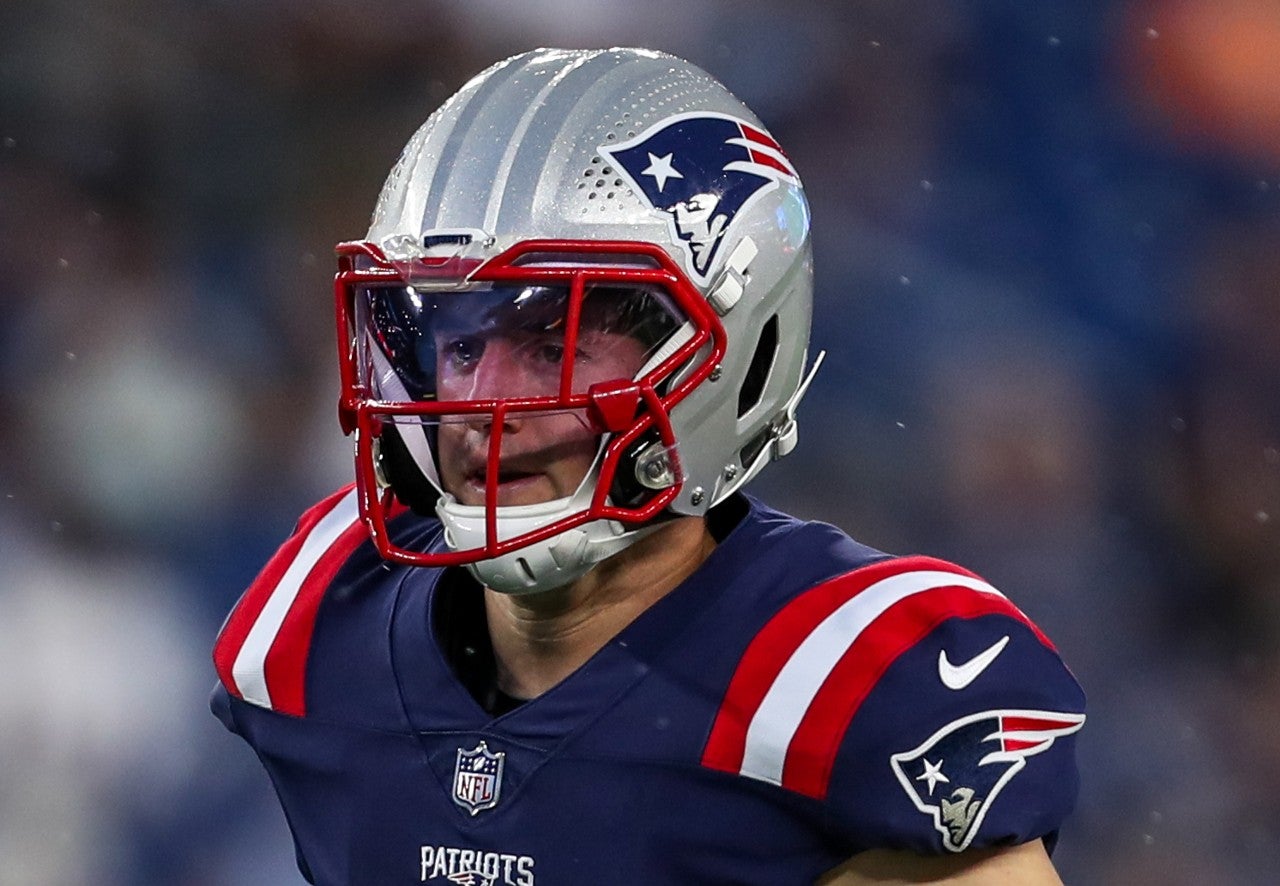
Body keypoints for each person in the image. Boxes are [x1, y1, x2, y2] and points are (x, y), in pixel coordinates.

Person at [211, 47, 1085, 885]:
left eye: (553, 343)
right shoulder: (324, 616)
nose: (481, 405)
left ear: (731, 355)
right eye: (462, 344)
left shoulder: (847, 676)